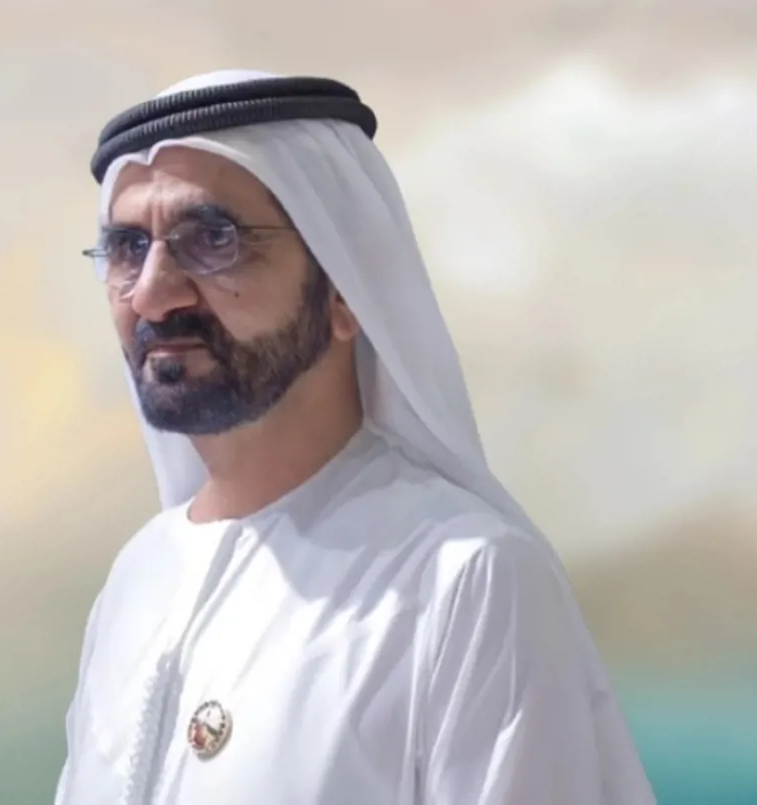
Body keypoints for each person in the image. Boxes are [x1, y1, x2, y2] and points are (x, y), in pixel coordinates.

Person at [53, 69, 656, 805]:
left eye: (213, 239)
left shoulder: (464, 580)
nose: (152, 293)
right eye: (126, 247)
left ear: (345, 288)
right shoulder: (138, 578)